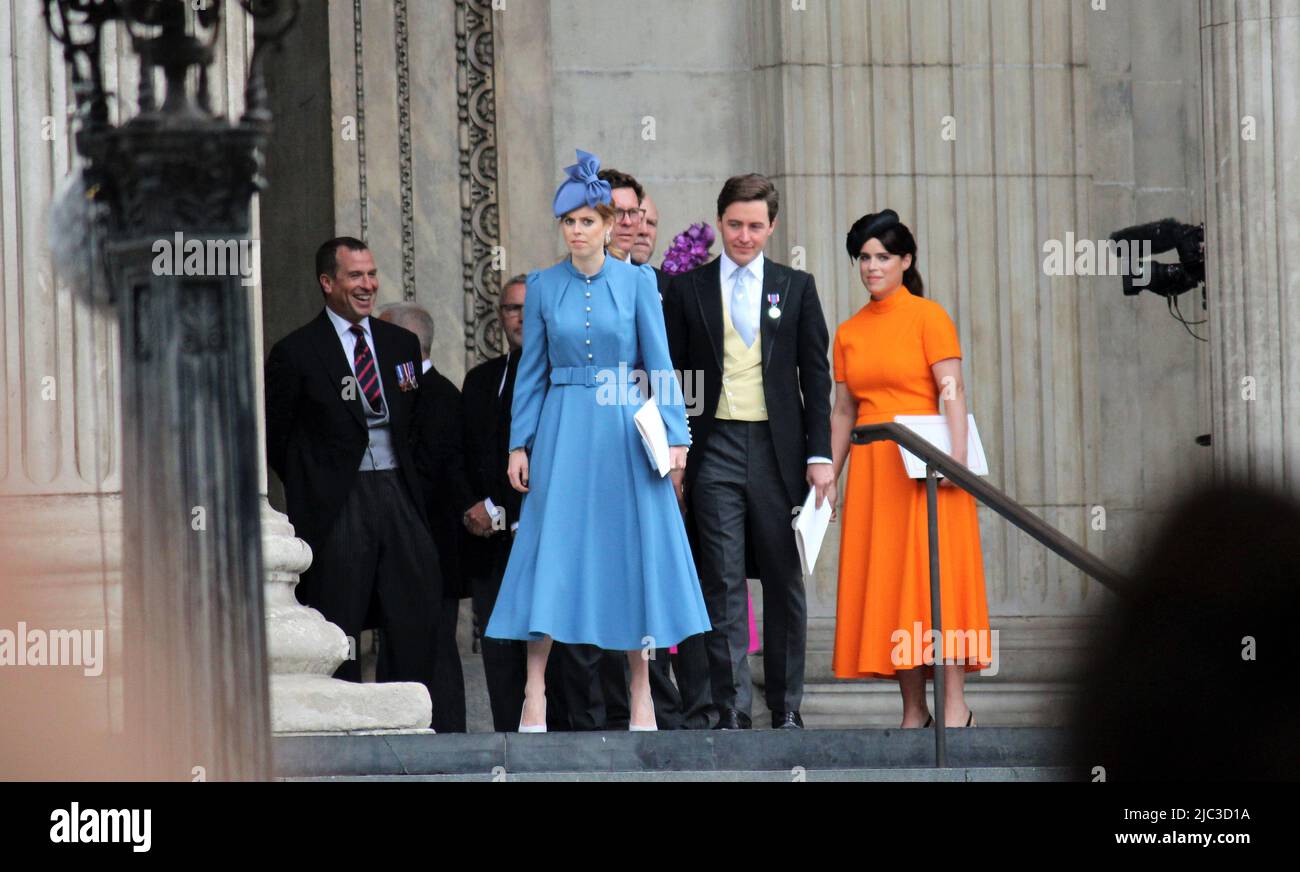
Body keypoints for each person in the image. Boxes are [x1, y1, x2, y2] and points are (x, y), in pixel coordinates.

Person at [486, 149, 711, 733]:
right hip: (562, 426)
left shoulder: (638, 283)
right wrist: (519, 444)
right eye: (569, 222)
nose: (578, 230)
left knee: (630, 553)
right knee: (550, 551)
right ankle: (534, 691)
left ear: (611, 226)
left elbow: (659, 368)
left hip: (622, 428)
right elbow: (531, 373)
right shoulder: (540, 285)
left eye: (588, 220)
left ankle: (641, 691)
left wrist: (678, 437)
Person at [663, 173, 834, 730]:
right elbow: (679, 375)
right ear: (719, 222)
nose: (744, 235)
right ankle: (732, 705)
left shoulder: (797, 285)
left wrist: (820, 455)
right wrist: (678, 444)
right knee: (723, 579)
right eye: (734, 224)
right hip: (713, 450)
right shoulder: (688, 289)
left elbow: (816, 377)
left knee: (784, 578)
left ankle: (786, 706)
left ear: (772, 227)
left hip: (778, 451)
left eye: (755, 225)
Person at [265, 237, 443, 723]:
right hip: (340, 501)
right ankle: (342, 720)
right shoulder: (296, 352)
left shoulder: (399, 343)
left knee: (414, 604)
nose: (368, 285)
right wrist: (317, 488)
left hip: (398, 494)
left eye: (371, 274)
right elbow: (278, 438)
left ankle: (410, 716)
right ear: (328, 283)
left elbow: (417, 421)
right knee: (338, 609)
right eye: (355, 276)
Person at [828, 209, 990, 728]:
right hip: (876, 473)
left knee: (938, 582)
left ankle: (955, 706)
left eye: (882, 257)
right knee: (895, 585)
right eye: (863, 258)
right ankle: (913, 709)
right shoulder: (849, 331)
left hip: (928, 467)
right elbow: (843, 411)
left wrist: (956, 461)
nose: (871, 267)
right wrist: (829, 476)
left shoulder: (928, 315)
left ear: (905, 261)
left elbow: (952, 390)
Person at [461, 276, 569, 732]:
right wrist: (479, 504)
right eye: (511, 309)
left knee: (563, 649)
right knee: (502, 648)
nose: (521, 317)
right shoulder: (482, 380)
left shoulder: (568, 380)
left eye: (531, 308)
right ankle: (509, 747)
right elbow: (466, 453)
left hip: (556, 538)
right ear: (500, 317)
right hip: (496, 543)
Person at [379, 302, 473, 733]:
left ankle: (445, 740)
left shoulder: (436, 395)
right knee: (398, 646)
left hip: (431, 549)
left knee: (434, 650)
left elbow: (428, 474)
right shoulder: (400, 391)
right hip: (402, 550)